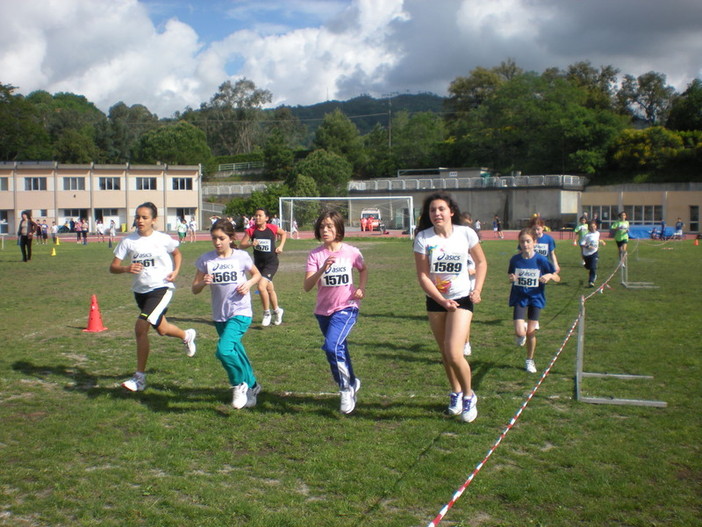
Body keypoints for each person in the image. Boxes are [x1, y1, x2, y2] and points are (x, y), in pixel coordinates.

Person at [413, 192, 487, 423]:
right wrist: (441, 299)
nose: (437, 213)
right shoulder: (423, 238)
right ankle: (455, 393)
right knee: (445, 353)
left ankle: (468, 395)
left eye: (441, 209)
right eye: (432, 210)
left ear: (451, 211)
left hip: (462, 298)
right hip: (436, 300)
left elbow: (482, 262)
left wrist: (478, 290)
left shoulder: (466, 233)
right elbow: (423, 276)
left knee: (455, 352)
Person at [109, 202, 197, 392]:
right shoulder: (128, 241)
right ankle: (186, 335)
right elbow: (113, 267)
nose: (140, 220)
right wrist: (126, 268)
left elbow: (177, 253)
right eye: (138, 217)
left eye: (144, 217)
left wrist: (176, 271)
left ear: (154, 220)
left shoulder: (163, 239)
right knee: (162, 329)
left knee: (141, 327)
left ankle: (139, 378)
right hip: (140, 292)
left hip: (162, 288)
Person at [192, 220, 263, 409]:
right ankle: (253, 386)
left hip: (240, 313)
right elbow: (194, 288)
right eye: (214, 238)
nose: (217, 242)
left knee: (223, 350)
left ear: (231, 238)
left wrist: (248, 284)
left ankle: (239, 384)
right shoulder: (206, 260)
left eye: (221, 238)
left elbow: (257, 275)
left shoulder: (241, 257)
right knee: (237, 351)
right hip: (219, 316)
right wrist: (202, 282)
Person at [303, 210, 368, 414]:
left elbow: (363, 269)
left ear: (339, 228)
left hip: (347, 307)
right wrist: (322, 268)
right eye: (322, 226)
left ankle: (345, 389)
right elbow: (307, 286)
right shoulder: (315, 255)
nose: (325, 230)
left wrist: (361, 288)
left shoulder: (351, 251)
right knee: (339, 347)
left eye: (330, 226)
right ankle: (352, 380)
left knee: (332, 347)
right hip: (323, 311)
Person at [508, 227, 560, 373]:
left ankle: (529, 360)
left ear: (534, 242)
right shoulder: (515, 260)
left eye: (528, 241)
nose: (525, 244)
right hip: (519, 297)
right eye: (522, 241)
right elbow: (511, 275)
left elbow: (557, 277)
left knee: (531, 332)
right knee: (520, 332)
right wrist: (511, 278)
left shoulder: (541, 260)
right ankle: (521, 332)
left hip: (536, 298)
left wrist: (549, 276)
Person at [239, 208, 287, 327]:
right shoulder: (251, 230)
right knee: (269, 289)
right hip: (258, 264)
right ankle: (277, 311)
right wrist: (251, 243)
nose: (257, 218)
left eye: (260, 216)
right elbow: (241, 245)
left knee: (261, 287)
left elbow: (284, 233)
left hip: (271, 263)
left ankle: (266, 313)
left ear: (266, 218)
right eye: (256, 216)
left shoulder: (272, 228)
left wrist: (280, 246)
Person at [580, 220, 605, 287]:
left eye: (594, 226)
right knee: (588, 267)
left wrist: (601, 241)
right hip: (587, 254)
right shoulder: (587, 235)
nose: (593, 228)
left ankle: (591, 281)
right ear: (589, 228)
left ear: (596, 226)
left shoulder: (597, 233)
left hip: (594, 253)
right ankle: (592, 275)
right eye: (591, 227)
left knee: (593, 267)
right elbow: (581, 244)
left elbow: (597, 239)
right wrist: (588, 246)